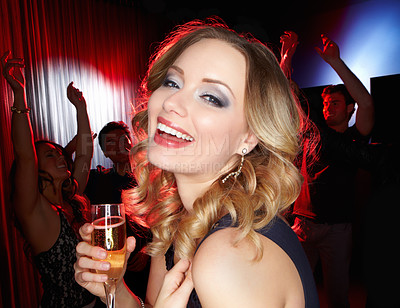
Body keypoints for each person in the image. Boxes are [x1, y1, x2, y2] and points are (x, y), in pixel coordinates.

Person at [74, 19, 319, 307]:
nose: (172, 102)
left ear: (250, 137)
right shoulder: (176, 219)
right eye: (172, 82)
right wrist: (116, 293)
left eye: (211, 97)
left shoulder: (228, 256)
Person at [1, 51, 96, 307]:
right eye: (49, 155)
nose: (61, 157)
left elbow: (85, 155)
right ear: (37, 166)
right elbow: (24, 155)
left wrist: (81, 108)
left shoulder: (70, 199)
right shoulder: (33, 210)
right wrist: (19, 96)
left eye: (59, 153)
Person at [290, 34, 375, 307]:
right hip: (303, 223)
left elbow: (367, 101)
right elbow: (287, 92)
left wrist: (335, 62)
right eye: (325, 104)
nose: (327, 108)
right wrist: (286, 57)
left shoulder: (355, 138)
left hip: (337, 229)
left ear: (350, 109)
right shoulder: (313, 132)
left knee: (337, 295)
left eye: (335, 103)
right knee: (293, 288)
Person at [84, 121, 151, 301]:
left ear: (132, 142)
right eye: (111, 142)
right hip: (112, 267)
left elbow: (166, 219)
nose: (119, 145)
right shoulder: (98, 180)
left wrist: (149, 250)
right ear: (105, 152)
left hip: (149, 266)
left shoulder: (150, 180)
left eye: (123, 139)